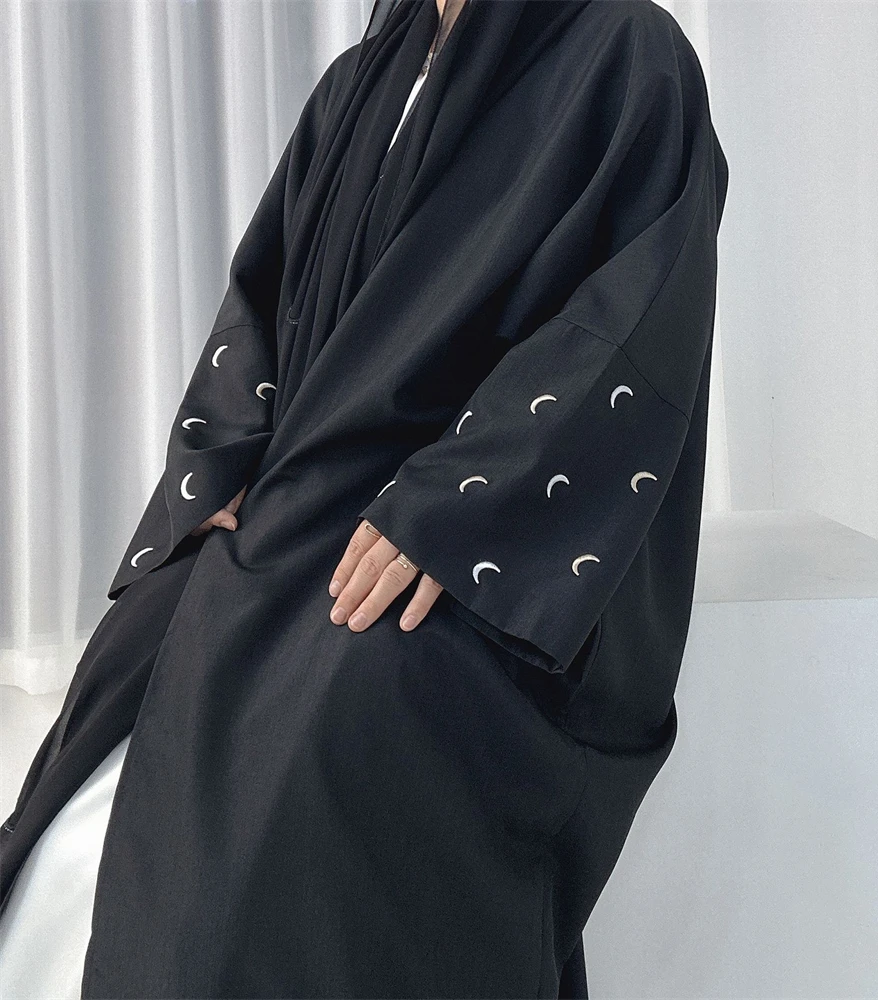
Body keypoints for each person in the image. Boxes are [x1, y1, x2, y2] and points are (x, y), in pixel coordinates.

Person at [0, 1, 729, 997]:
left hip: (482, 535)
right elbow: (263, 294)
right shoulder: (360, 82)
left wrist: (460, 507)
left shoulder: (627, 54)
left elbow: (636, 315)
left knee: (343, 723)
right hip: (303, 499)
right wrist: (221, 457)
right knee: (134, 669)